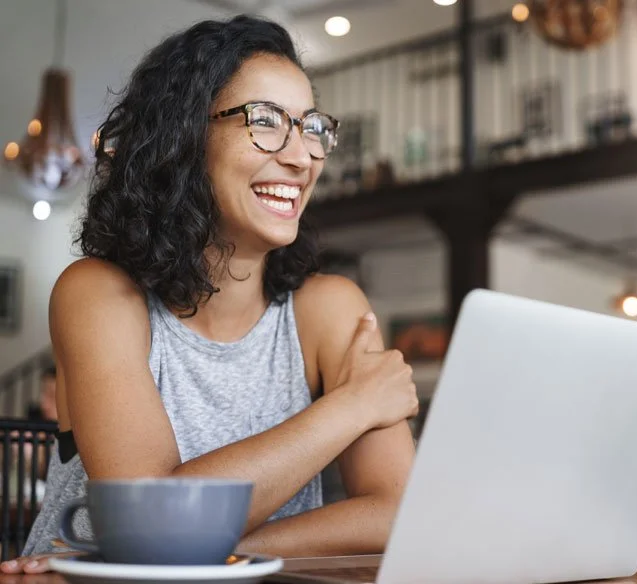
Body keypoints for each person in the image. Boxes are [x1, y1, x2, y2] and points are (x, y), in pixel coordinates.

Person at [1, 15, 418, 574]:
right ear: (185, 137)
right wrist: (352, 406)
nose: (301, 157)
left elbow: (397, 512)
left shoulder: (330, 310)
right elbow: (153, 519)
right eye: (265, 121)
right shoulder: (98, 294)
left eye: (311, 127)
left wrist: (216, 552)